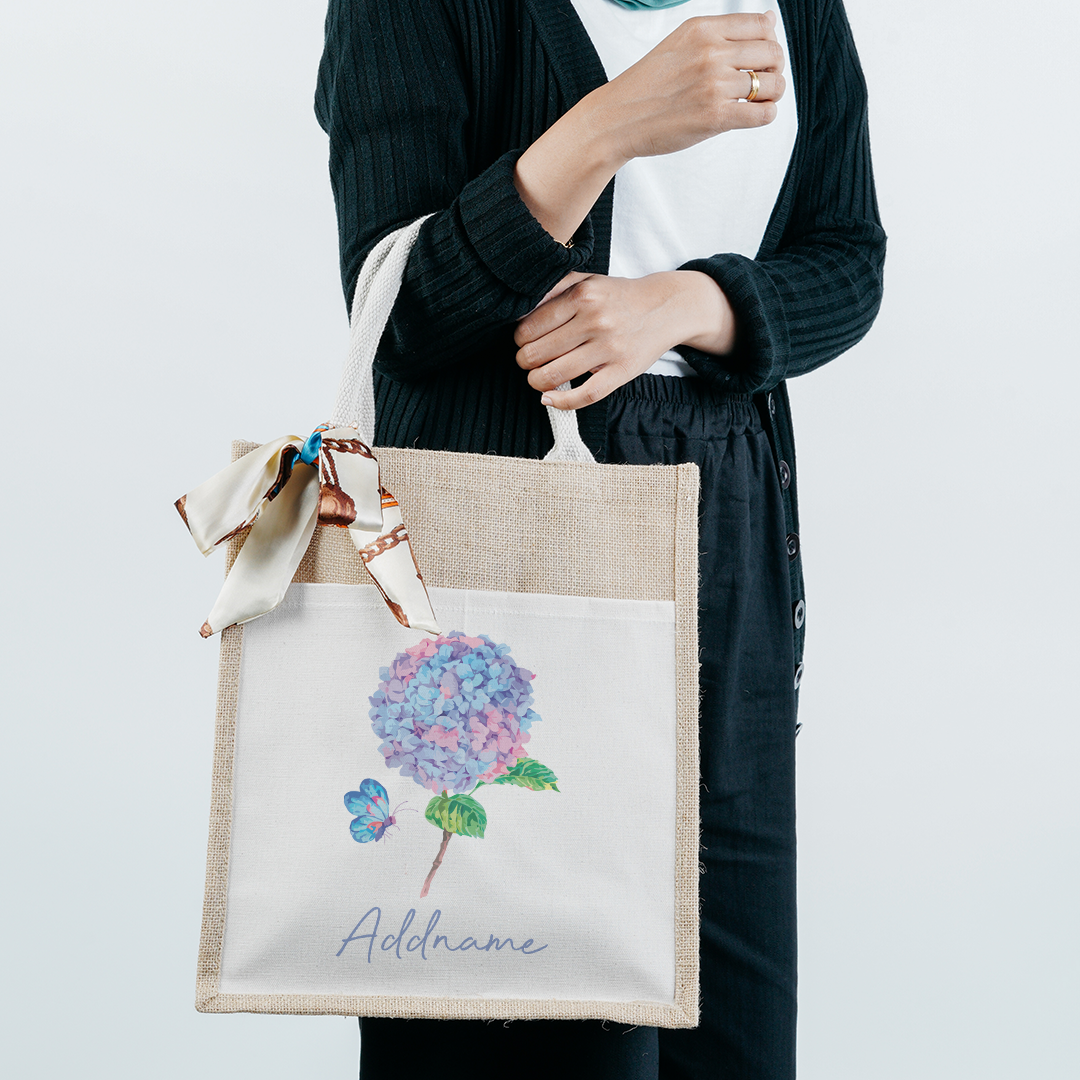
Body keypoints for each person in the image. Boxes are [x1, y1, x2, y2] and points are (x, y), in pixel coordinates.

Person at [315, 0, 885, 1076]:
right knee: (528, 1024)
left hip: (730, 541)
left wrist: (687, 304)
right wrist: (607, 127)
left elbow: (849, 257)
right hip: (503, 557)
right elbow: (403, 315)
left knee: (734, 1028)